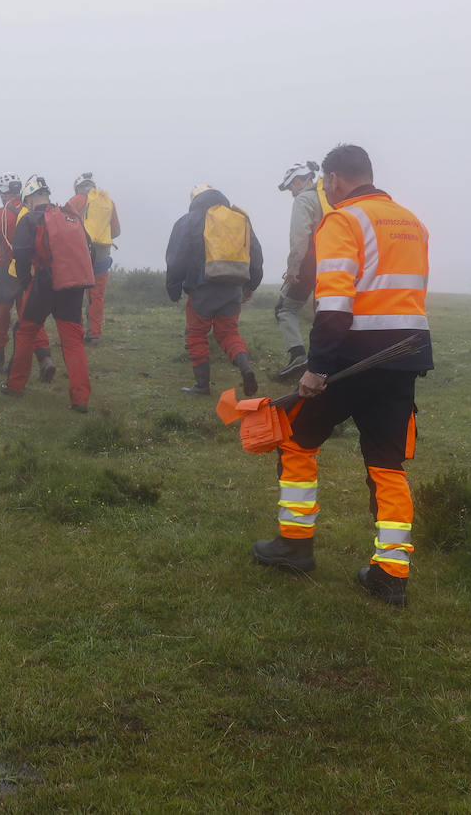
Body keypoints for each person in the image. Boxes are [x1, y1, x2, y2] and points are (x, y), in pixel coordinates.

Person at [250, 144, 433, 607]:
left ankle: (294, 544)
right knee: (388, 465)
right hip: (404, 355)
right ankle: (391, 574)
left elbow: (333, 303)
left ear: (332, 180)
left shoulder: (343, 221)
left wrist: (317, 368)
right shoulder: (412, 221)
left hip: (351, 358)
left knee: (294, 438)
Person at [1, 175, 93, 412]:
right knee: (73, 341)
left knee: (26, 332)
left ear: (30, 199)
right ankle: (80, 400)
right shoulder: (70, 215)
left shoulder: (31, 219)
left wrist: (23, 282)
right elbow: (88, 248)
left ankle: (15, 385)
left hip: (44, 285)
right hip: (73, 286)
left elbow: (20, 256)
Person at [165, 184, 263, 397]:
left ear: (194, 200)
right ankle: (245, 368)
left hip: (202, 288)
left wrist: (173, 287)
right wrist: (251, 285)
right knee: (229, 333)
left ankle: (202, 385)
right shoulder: (238, 217)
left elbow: (177, 256)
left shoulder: (188, 221)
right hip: (233, 287)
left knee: (196, 334)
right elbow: (255, 252)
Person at [0, 173, 56, 380]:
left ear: (3, 193)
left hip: (6, 273)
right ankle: (45, 359)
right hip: (32, 272)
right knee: (31, 318)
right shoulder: (32, 211)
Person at [273, 160, 332, 379]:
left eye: (290, 187)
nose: (291, 193)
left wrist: (292, 269)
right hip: (334, 262)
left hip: (309, 262)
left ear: (299, 181)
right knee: (326, 312)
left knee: (284, 309)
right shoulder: (329, 195)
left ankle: (299, 356)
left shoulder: (304, 199)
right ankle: (327, 363)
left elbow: (299, 238)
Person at [67, 173, 121, 344]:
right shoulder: (108, 202)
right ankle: (95, 334)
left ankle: (76, 332)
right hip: (103, 253)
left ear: (78, 187)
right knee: (96, 296)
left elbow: (65, 224)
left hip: (80, 251)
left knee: (75, 293)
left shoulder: (76, 200)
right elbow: (116, 231)